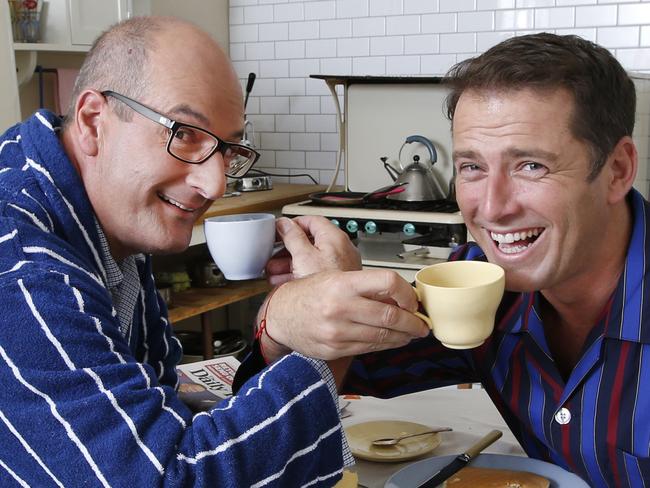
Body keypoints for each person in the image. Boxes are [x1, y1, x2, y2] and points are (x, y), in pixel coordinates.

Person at [0, 16, 429, 487]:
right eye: (183, 133)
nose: (215, 184)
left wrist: (285, 329)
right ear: (93, 121)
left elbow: (155, 399)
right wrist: (327, 336)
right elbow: (171, 479)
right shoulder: (23, 265)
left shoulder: (105, 213)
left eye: (227, 149)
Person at [252, 33, 649, 487]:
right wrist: (294, 312)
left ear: (617, 170)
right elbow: (346, 368)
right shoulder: (476, 284)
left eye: (531, 165)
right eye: (472, 167)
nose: (493, 207)